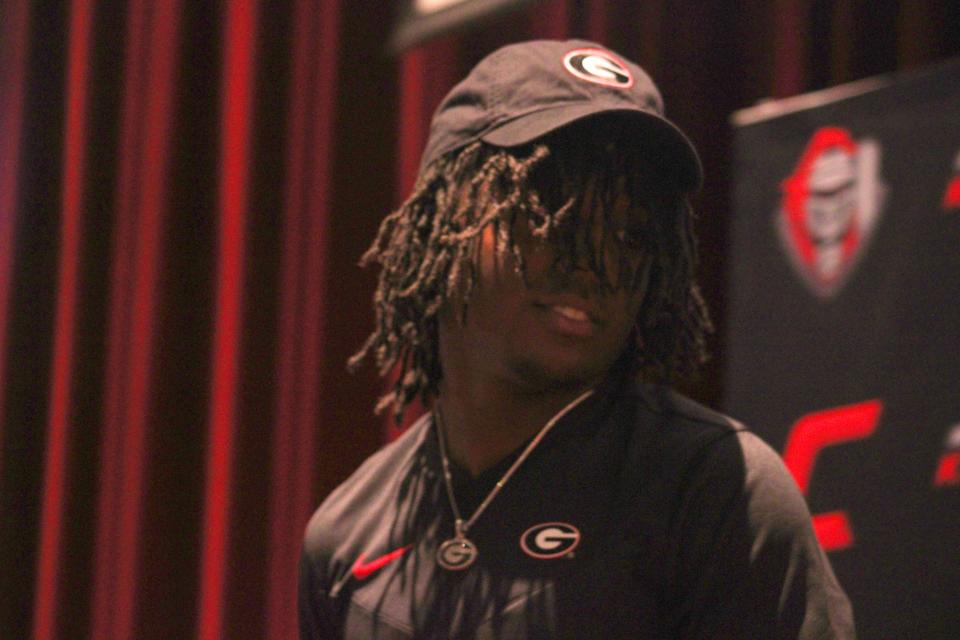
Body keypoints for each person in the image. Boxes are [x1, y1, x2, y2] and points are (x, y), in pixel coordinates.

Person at [299, 39, 855, 639]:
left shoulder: (717, 489)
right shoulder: (346, 535)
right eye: (551, 213)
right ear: (446, 218)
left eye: (630, 236)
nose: (594, 266)